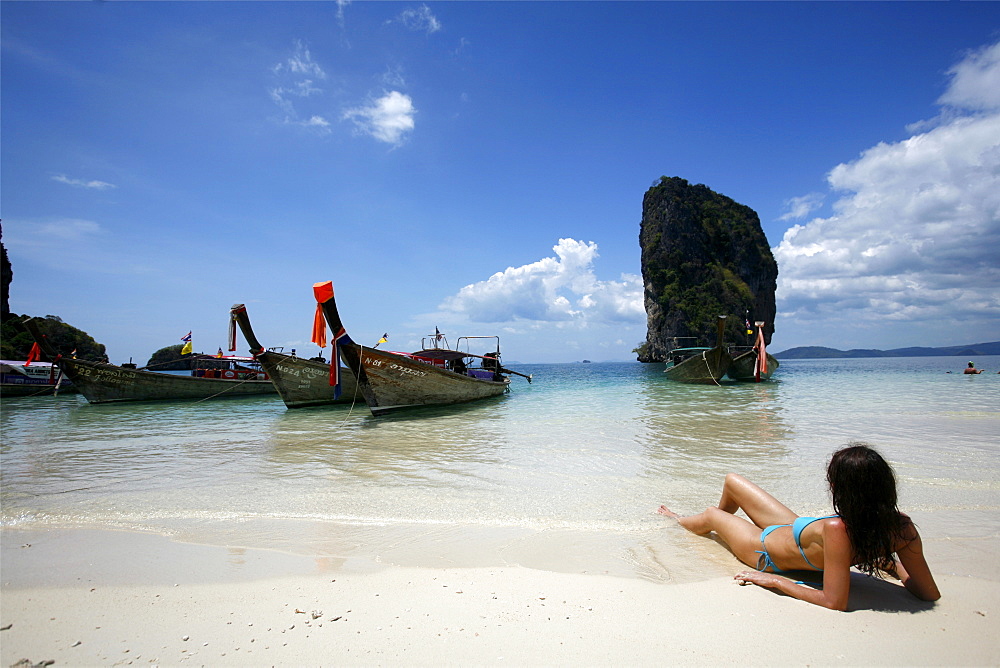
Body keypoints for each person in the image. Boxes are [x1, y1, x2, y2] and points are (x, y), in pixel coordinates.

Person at [658, 443, 940, 610]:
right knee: (732, 481)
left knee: (711, 514)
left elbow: (834, 602)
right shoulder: (901, 527)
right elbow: (928, 593)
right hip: (795, 529)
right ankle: (722, 525)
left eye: (833, 482)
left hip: (763, 548)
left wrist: (777, 581)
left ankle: (677, 519)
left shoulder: (838, 530)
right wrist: (894, 566)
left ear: (845, 492)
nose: (830, 485)